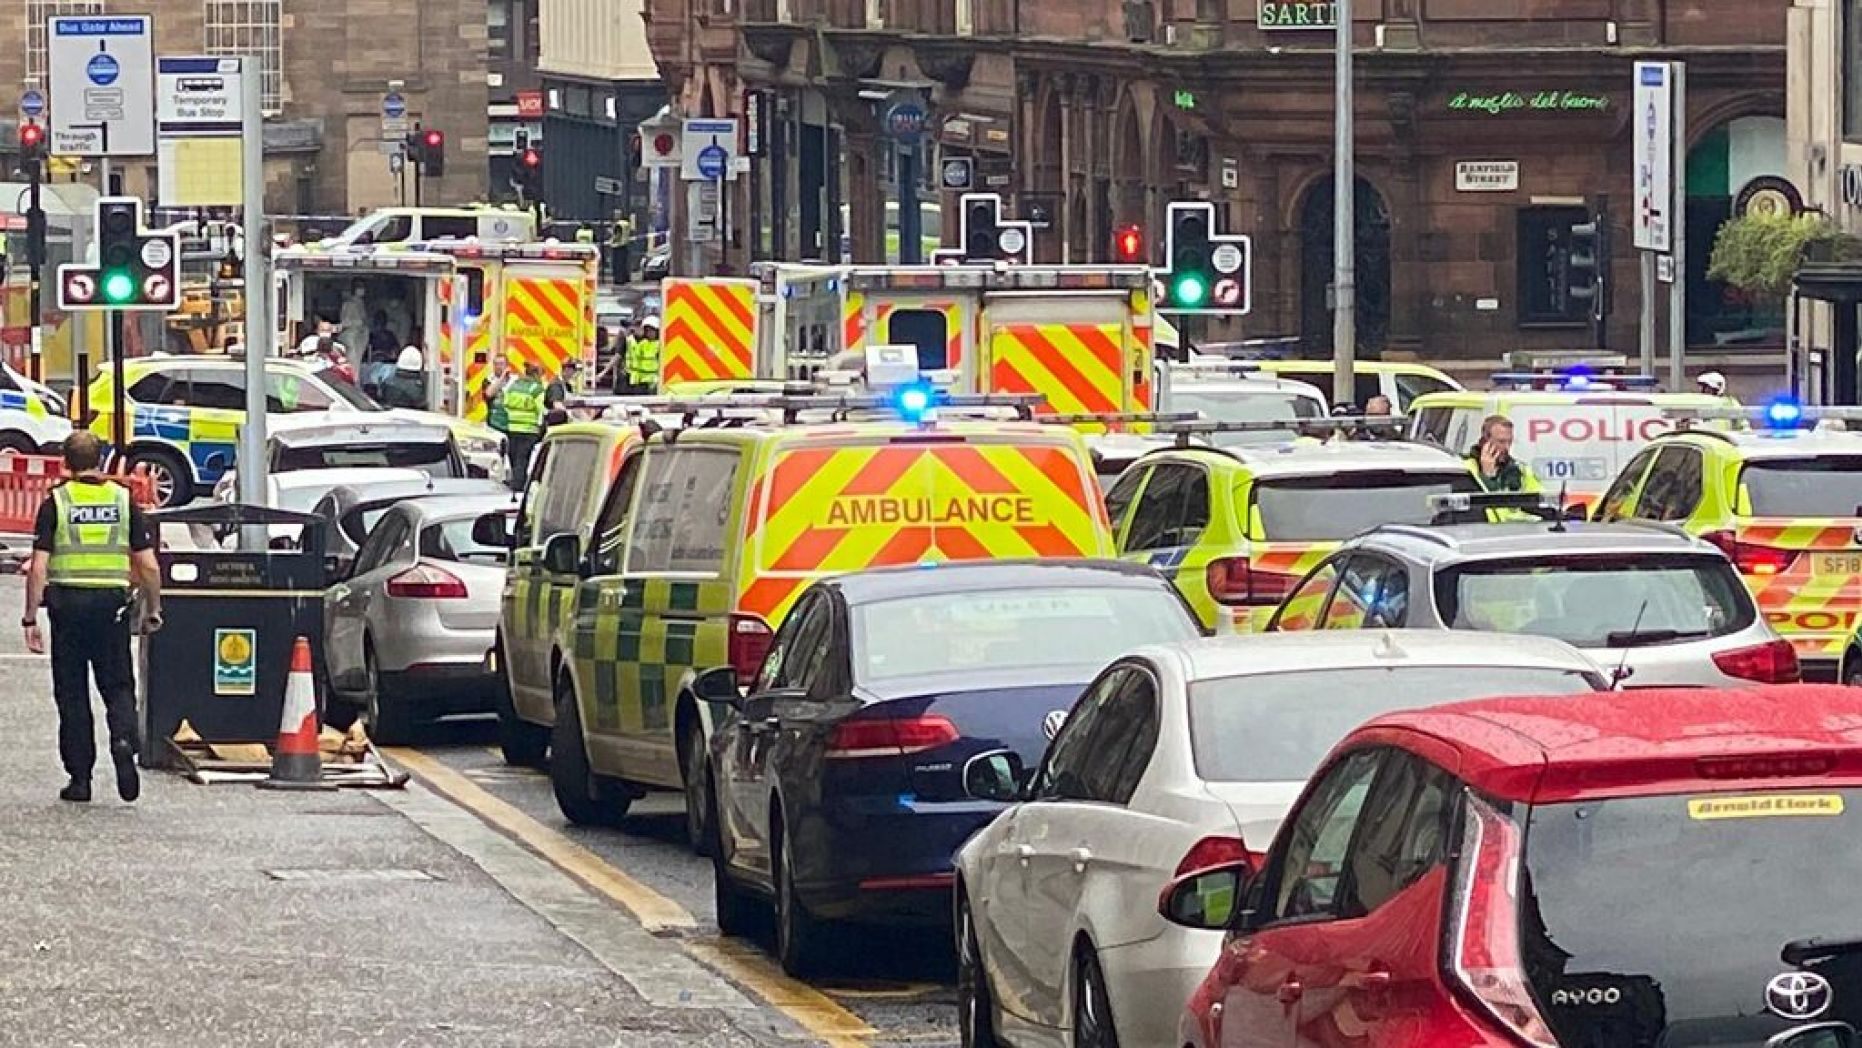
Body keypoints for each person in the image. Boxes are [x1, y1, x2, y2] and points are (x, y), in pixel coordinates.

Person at [23, 433, 163, 804]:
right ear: (100, 460)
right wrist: (152, 609)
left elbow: (38, 567)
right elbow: (148, 565)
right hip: (111, 606)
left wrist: (30, 618)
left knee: (72, 693)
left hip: (67, 607)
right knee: (118, 685)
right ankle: (123, 740)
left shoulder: (57, 502)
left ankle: (80, 778)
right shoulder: (122, 500)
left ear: (65, 463)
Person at [1466, 414, 1540, 493]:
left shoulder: (1520, 469)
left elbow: (1540, 496)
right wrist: (1487, 476)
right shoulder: (1467, 468)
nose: (1507, 447)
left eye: (1510, 441)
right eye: (1501, 441)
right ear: (1485, 441)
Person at [502, 362, 547, 490]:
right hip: (529, 430)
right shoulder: (537, 389)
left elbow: (505, 403)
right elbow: (541, 410)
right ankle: (518, 486)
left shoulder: (514, 386)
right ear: (536, 374)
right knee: (522, 459)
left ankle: (515, 482)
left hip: (512, 428)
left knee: (514, 457)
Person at [626, 316, 662, 394]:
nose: (649, 333)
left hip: (654, 381)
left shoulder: (660, 345)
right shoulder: (642, 343)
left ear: (657, 331)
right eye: (647, 330)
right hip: (640, 381)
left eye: (652, 330)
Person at [338, 282, 369, 355]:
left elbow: (364, 318)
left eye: (363, 288)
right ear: (355, 290)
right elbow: (345, 321)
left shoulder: (361, 303)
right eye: (360, 288)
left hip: (360, 335)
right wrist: (358, 322)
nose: (363, 290)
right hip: (351, 335)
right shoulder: (348, 304)